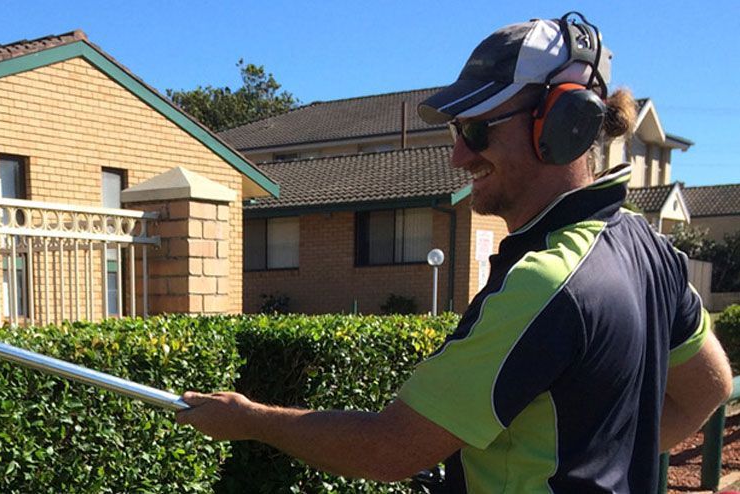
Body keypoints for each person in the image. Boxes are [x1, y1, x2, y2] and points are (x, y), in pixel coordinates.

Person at [175, 13, 733, 493]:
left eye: (477, 129)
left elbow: (390, 448)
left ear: (564, 125)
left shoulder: (547, 283)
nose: (458, 156)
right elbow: (709, 385)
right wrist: (598, 462)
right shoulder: (648, 248)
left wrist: (252, 420)